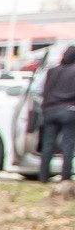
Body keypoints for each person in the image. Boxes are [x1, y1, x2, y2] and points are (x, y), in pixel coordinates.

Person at [41, 44, 75, 182]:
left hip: (50, 110)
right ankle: (65, 177)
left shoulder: (52, 71)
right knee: (67, 144)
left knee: (48, 144)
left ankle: (43, 176)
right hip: (69, 110)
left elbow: (42, 90)